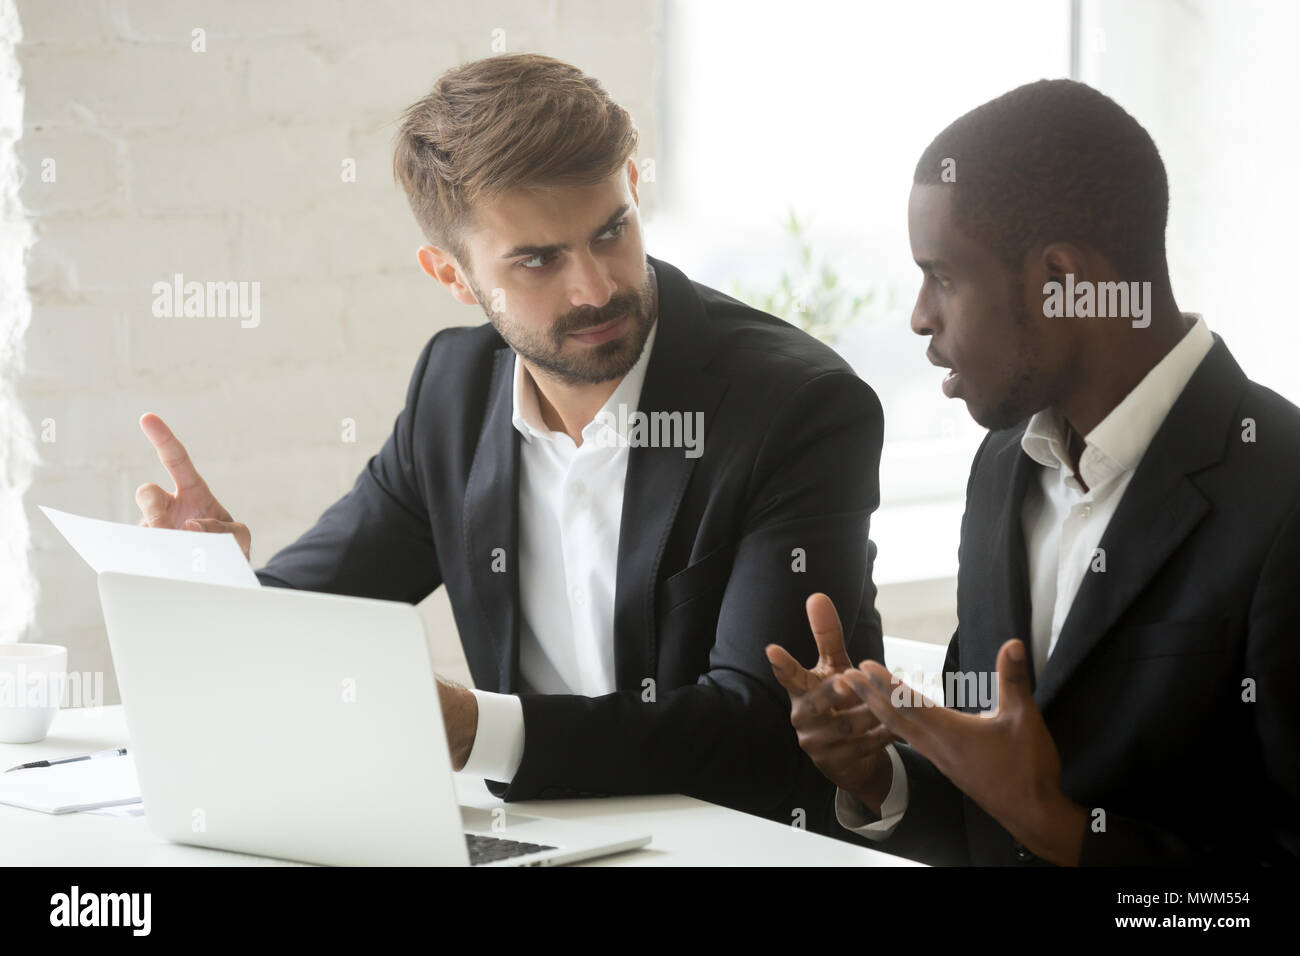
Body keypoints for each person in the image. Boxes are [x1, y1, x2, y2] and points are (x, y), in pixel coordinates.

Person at [134, 53, 885, 834]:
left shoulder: (799, 409)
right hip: (536, 842)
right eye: (537, 260)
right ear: (452, 275)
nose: (594, 287)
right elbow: (323, 609)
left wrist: (471, 729)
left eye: (611, 231)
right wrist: (217, 585)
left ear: (633, 185)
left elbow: (755, 723)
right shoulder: (452, 393)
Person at [768, 79, 1300, 864]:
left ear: (1062, 279)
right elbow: (989, 796)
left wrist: (1061, 830)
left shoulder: (1281, 493)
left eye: (943, 276)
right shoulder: (1002, 466)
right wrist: (882, 777)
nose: (920, 314)